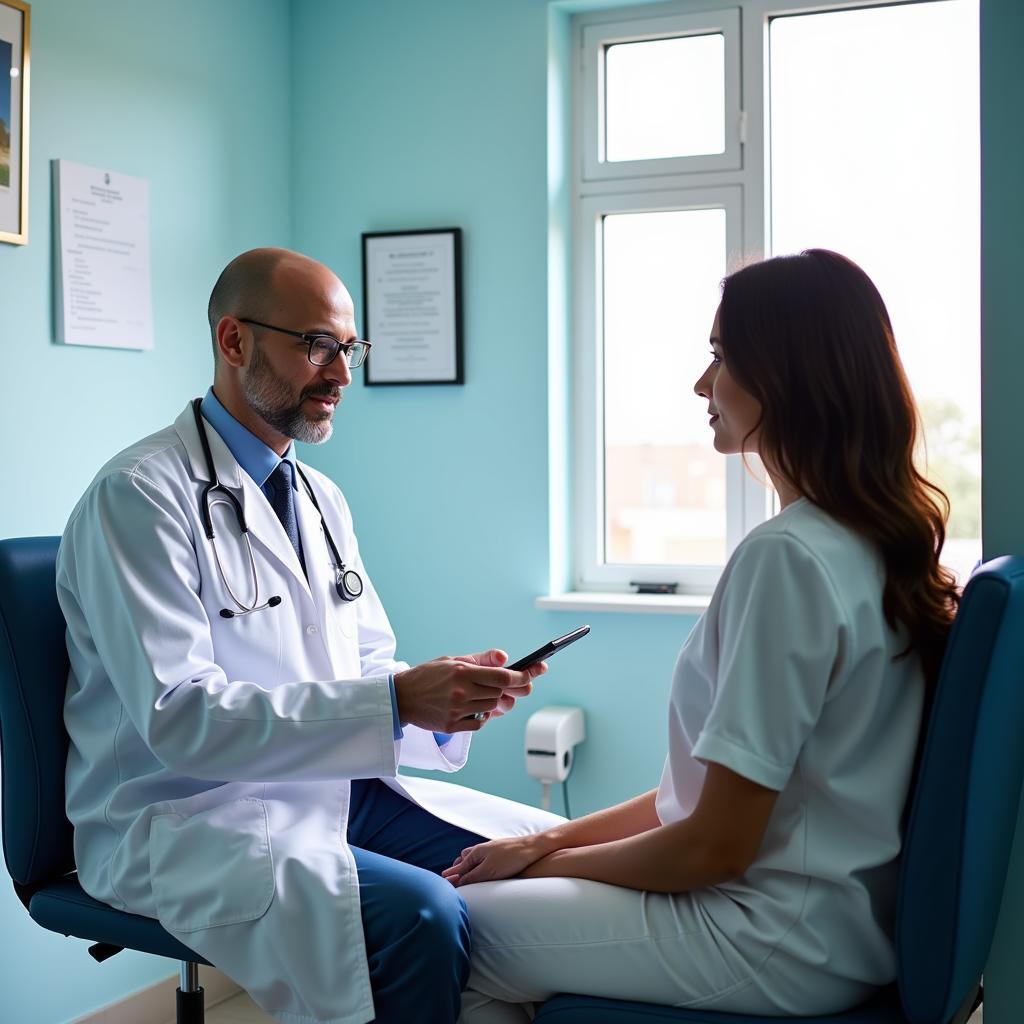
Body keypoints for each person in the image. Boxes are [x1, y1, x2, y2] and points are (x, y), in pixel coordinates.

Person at [445, 250, 961, 1022]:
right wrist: (540, 851)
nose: (700, 385)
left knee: (441, 933)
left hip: (770, 937)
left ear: (787, 375)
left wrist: (542, 868)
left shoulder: (788, 558)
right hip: (828, 928)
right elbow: (703, 800)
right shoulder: (866, 541)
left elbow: (712, 846)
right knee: (505, 879)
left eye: (719, 357)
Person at [56, 247, 563, 1024]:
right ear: (235, 341)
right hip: (189, 814)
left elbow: (366, 664)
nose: (341, 374)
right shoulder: (139, 497)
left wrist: (438, 701)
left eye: (349, 348)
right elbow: (180, 718)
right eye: (317, 345)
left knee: (552, 865)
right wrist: (393, 702)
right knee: (422, 915)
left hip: (333, 785)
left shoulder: (320, 497)